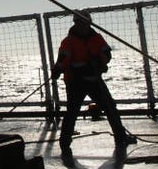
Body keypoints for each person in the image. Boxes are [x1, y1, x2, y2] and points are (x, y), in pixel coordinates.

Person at [53, 10, 136, 154]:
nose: (81, 25)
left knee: (110, 107)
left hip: (94, 80)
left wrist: (98, 62)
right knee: (72, 113)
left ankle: (121, 137)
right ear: (76, 24)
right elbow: (63, 59)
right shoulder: (68, 42)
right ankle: (65, 144)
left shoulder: (97, 38)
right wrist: (57, 69)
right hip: (75, 83)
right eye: (78, 23)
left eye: (83, 22)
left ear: (88, 23)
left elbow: (106, 54)